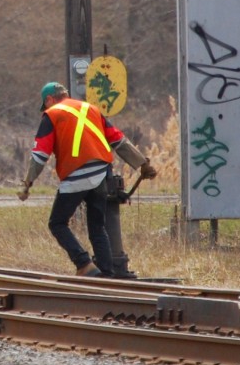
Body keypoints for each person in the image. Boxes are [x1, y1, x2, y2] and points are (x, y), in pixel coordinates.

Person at [16, 82, 157, 277]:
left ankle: (83, 263)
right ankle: (107, 274)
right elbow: (118, 140)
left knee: (57, 223)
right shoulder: (90, 108)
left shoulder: (52, 114)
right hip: (101, 173)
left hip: (76, 174)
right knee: (97, 226)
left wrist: (27, 183)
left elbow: (40, 155)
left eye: (46, 104)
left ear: (49, 99)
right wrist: (142, 163)